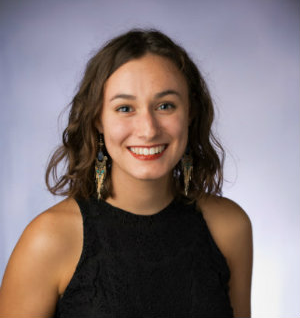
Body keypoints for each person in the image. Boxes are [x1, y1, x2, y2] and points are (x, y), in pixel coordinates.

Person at [0, 29, 252, 317]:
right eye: (124, 108)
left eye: (165, 105)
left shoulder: (229, 227)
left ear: (190, 113)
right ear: (97, 120)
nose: (148, 129)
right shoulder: (48, 239)